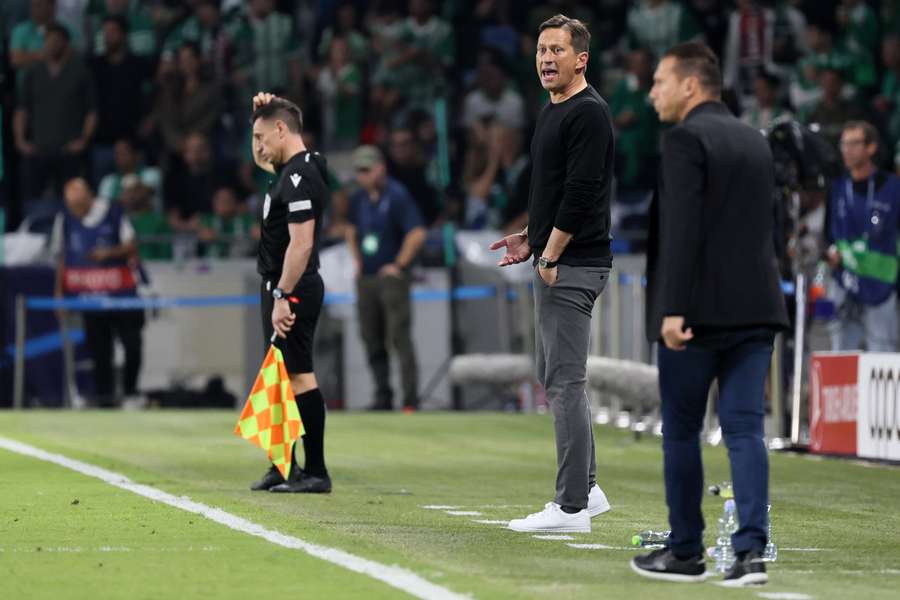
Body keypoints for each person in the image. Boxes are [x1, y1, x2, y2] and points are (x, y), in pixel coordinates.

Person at [631, 42, 788, 586]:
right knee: (745, 430)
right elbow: (775, 228)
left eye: (659, 82)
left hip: (695, 317)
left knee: (681, 432)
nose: (652, 93)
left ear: (691, 86)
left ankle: (686, 552)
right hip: (758, 311)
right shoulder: (755, 140)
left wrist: (671, 310)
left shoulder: (684, 140)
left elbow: (681, 230)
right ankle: (750, 554)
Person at [489, 14, 613, 534]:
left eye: (557, 50)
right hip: (563, 255)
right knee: (559, 378)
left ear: (580, 59)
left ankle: (570, 509)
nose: (546, 58)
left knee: (565, 382)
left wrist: (551, 254)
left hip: (574, 263)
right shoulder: (557, 108)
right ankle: (588, 489)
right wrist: (531, 237)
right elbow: (556, 191)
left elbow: (583, 192)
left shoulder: (587, 113)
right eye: (541, 49)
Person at [247, 93, 332, 494]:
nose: (258, 148)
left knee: (298, 375)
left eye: (262, 137)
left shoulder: (300, 175)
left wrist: (282, 293)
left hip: (293, 286)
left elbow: (301, 243)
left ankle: (315, 471)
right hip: (280, 285)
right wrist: (270, 104)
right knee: (278, 377)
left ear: (282, 130)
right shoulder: (290, 170)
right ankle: (282, 467)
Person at [345, 145, 426, 412]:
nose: (363, 176)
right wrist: (356, 259)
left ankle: (410, 399)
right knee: (371, 337)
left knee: (399, 337)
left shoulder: (397, 195)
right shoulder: (358, 199)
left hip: (391, 279)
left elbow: (416, 232)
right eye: (359, 171)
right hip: (366, 277)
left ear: (381, 168)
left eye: (367, 170)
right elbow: (350, 229)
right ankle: (383, 395)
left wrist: (398, 264)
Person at [51, 177, 144, 406]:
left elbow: (132, 244)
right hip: (89, 297)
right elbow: (61, 258)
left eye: (79, 205)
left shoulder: (113, 212)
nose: (76, 210)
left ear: (89, 196)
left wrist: (109, 253)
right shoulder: (64, 220)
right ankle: (105, 400)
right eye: (71, 205)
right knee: (100, 352)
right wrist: (59, 293)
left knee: (132, 345)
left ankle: (131, 393)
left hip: (122, 295)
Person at [826, 121, 900, 352]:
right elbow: (829, 234)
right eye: (843, 144)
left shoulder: (894, 188)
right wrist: (831, 252)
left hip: (881, 285)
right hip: (843, 282)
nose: (847, 149)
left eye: (854, 143)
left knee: (884, 359)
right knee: (839, 355)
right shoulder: (837, 188)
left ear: (871, 147)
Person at [14, 22, 96, 202]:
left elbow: (91, 111)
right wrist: (20, 140)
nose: (52, 45)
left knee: (70, 200)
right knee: (32, 198)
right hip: (38, 148)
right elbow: (22, 110)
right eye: (49, 40)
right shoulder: (33, 73)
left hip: (69, 149)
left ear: (66, 44)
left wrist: (83, 139)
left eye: (57, 40)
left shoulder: (80, 72)